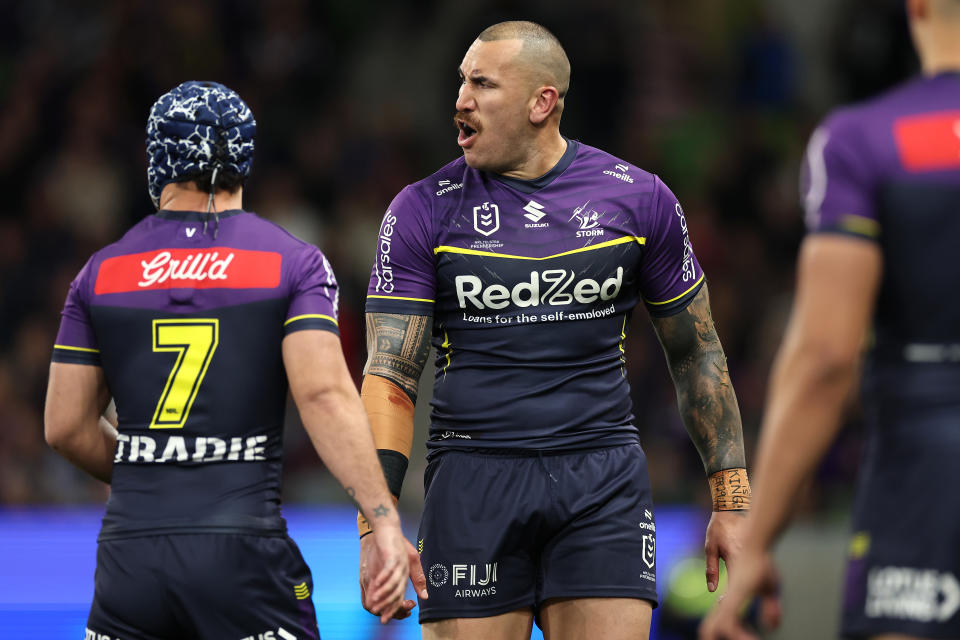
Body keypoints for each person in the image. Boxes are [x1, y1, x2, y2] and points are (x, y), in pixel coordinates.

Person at [356, 21, 752, 640]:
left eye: (482, 84)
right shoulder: (420, 209)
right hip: (472, 483)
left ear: (543, 102)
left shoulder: (639, 199)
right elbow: (388, 377)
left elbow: (696, 353)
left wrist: (732, 501)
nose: (461, 99)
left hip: (603, 484)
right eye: (462, 81)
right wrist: (375, 522)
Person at [44, 80, 423, 640]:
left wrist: (157, 467)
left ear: (157, 158)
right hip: (242, 558)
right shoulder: (290, 263)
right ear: (244, 156)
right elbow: (322, 395)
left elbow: (65, 427)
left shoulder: (101, 272)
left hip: (130, 564)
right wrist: (383, 521)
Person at [700, 1, 960, 638]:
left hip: (928, 475)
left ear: (917, 6)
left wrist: (756, 540)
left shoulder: (868, 142)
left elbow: (825, 359)